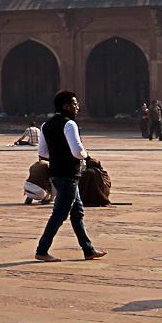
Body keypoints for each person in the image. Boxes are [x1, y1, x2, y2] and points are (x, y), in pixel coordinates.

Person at [34, 90, 107, 262]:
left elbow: (42, 152)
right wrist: (87, 156)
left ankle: (88, 250)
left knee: (77, 212)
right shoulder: (69, 124)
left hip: (56, 174)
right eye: (75, 104)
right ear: (66, 106)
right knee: (59, 214)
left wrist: (58, 156)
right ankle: (42, 250)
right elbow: (77, 151)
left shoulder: (46, 125)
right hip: (69, 174)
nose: (77, 107)